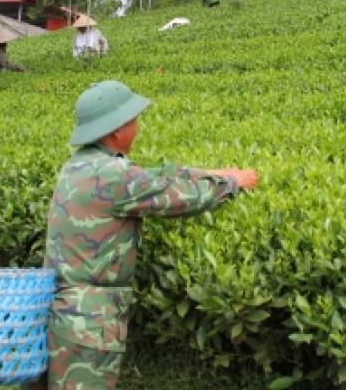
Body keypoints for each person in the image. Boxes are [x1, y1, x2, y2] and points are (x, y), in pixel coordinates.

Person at [40, 80, 257, 389]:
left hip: (61, 309)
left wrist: (216, 173)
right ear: (116, 130)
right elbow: (179, 197)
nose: (137, 127)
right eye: (133, 120)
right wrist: (234, 184)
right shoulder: (116, 176)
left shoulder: (79, 166)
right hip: (88, 321)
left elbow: (154, 176)